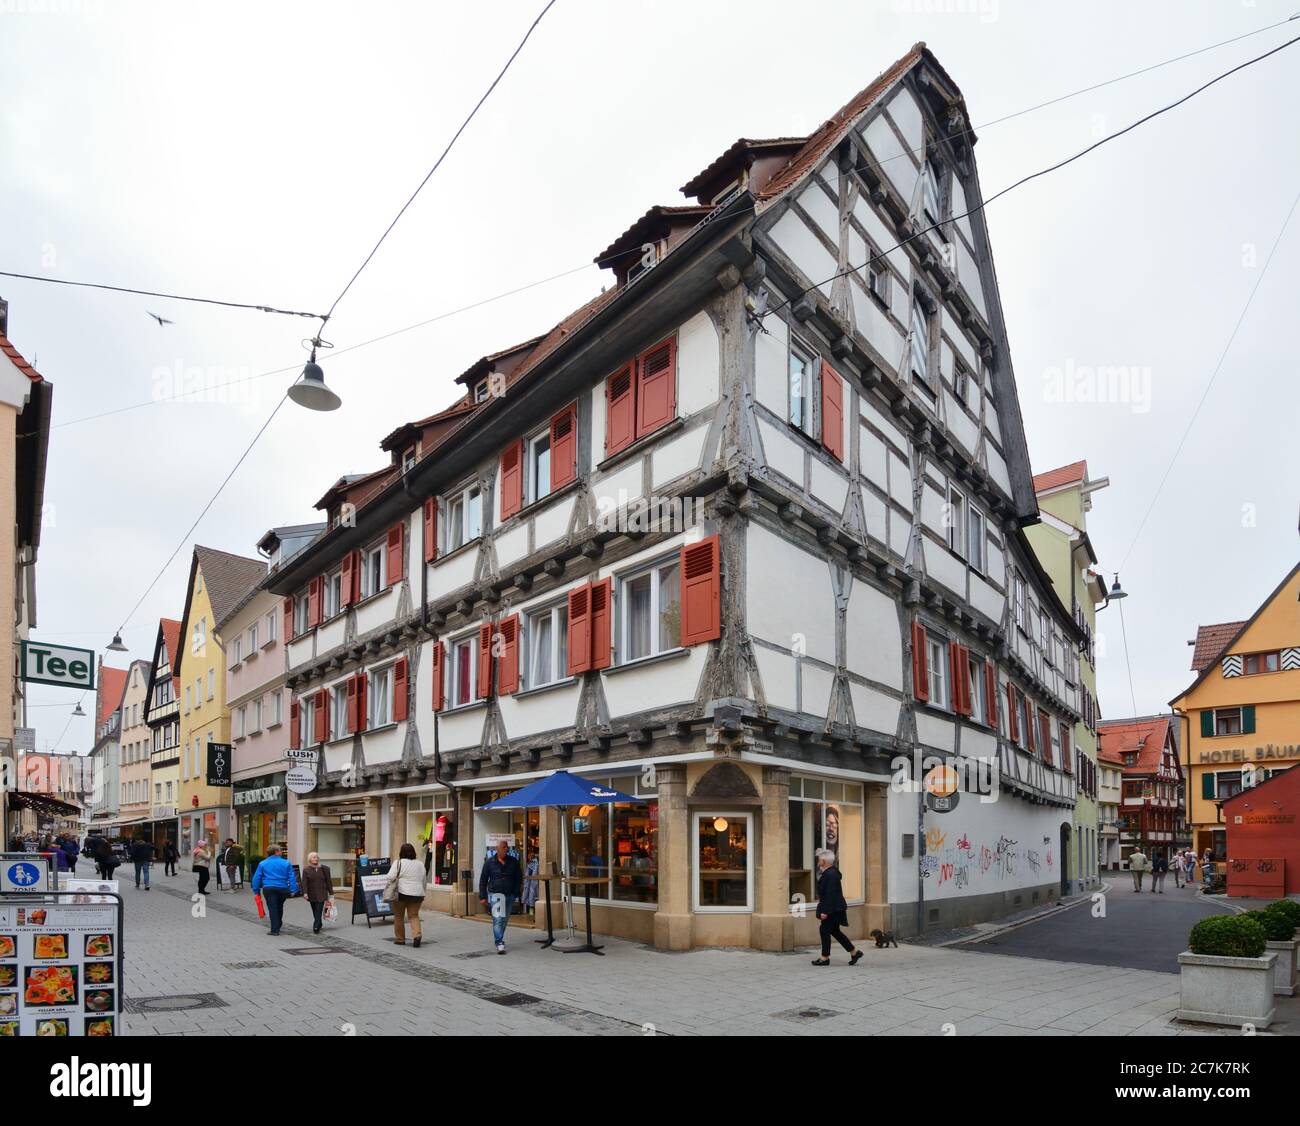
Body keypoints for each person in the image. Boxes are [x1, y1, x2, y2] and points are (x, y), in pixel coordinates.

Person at [811, 848, 862, 966]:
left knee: (824, 930)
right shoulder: (830, 872)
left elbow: (831, 895)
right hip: (835, 908)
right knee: (834, 931)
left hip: (833, 909)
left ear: (823, 861)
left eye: (819, 859)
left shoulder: (831, 875)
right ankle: (854, 952)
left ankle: (824, 958)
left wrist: (825, 911)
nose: (818, 861)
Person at [478, 838, 523, 954]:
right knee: (497, 919)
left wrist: (516, 893)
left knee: (504, 919)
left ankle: (499, 937)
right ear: (497, 849)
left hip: (509, 894)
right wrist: (482, 896)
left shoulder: (513, 861)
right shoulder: (489, 862)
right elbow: (483, 879)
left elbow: (519, 878)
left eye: (507, 846)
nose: (506, 849)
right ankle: (499, 942)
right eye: (504, 847)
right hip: (495, 894)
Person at [250, 844, 300, 936]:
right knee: (279, 906)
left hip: (268, 888)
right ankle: (278, 924)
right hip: (282, 888)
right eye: (280, 850)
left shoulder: (263, 863)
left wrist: (256, 890)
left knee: (272, 908)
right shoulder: (286, 863)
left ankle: (274, 929)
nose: (281, 852)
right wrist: (293, 890)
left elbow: (256, 878)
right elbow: (292, 877)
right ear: (276, 852)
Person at [386, 843, 427, 947]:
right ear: (413, 852)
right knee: (414, 916)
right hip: (417, 894)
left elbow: (390, 877)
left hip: (401, 893)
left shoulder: (398, 863)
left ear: (401, 852)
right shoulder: (420, 864)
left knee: (399, 916)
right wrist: (423, 892)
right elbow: (424, 880)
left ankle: (400, 939)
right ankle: (417, 935)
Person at [301, 851, 334, 934]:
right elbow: (304, 882)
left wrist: (331, 893)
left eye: (316, 857)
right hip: (311, 893)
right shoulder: (306, 870)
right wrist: (305, 893)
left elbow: (328, 881)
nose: (316, 859)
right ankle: (319, 922)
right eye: (314, 857)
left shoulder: (325, 869)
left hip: (322, 892)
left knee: (319, 909)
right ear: (310, 859)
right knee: (314, 910)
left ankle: (316, 926)